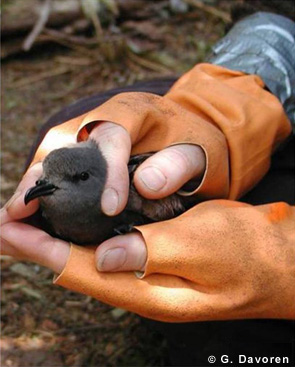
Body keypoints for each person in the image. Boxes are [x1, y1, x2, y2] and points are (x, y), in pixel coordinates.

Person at [1, 4, 295, 366]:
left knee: (238, 328)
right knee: (79, 120)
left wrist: (282, 262)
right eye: (49, 178)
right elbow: (280, 14)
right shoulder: (64, 191)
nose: (45, 187)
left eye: (74, 179)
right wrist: (219, 114)